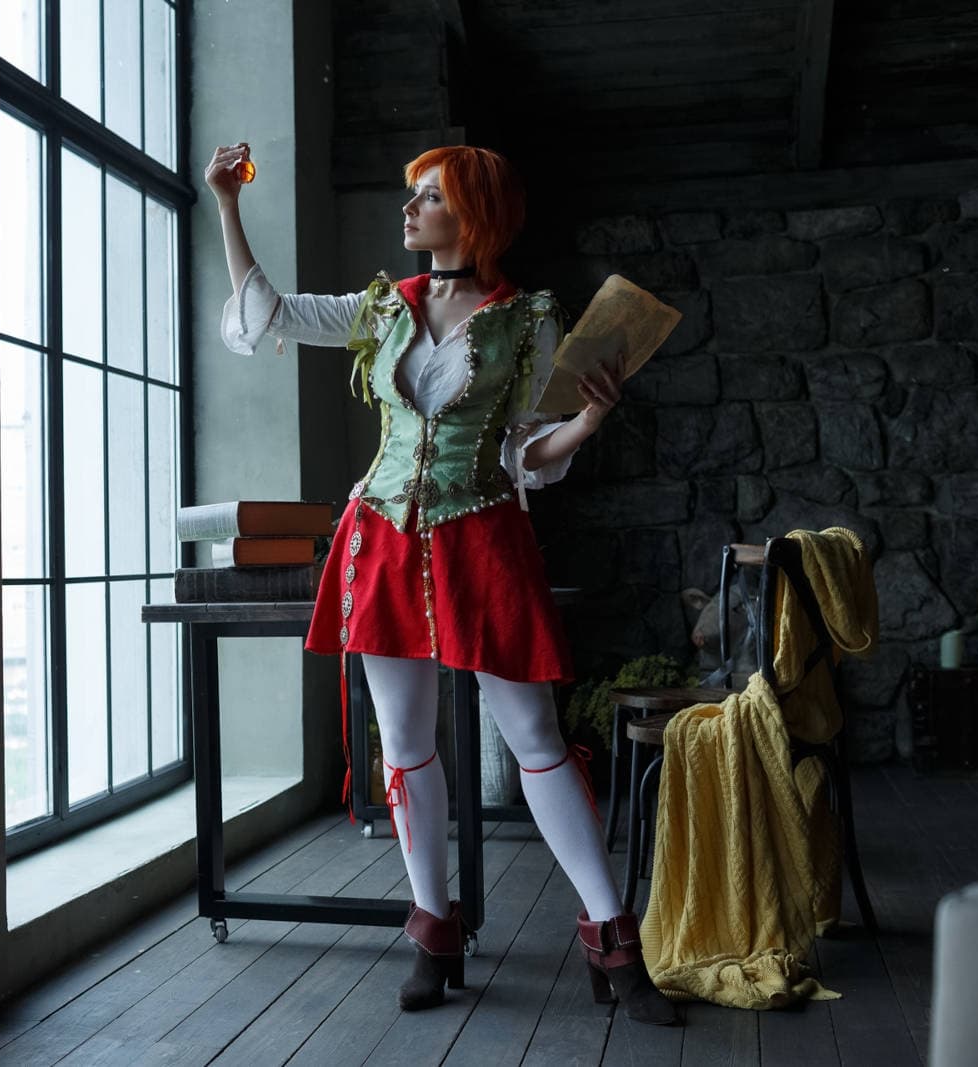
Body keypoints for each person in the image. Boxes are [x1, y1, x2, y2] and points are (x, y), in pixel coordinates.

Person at [207, 142, 677, 1027]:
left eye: (428, 196)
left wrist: (586, 420)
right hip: (382, 536)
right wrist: (228, 205)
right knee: (404, 741)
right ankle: (433, 930)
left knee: (534, 736)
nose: (409, 208)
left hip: (482, 534)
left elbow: (525, 452)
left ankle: (613, 934)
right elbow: (267, 313)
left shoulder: (528, 319)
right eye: (412, 195)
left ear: (473, 215)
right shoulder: (381, 306)